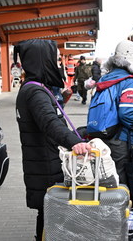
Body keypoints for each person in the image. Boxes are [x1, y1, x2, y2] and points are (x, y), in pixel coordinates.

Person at [14, 39, 92, 241]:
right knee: (49, 213)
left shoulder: (32, 88)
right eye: (55, 60)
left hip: (40, 161)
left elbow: (46, 118)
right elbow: (50, 123)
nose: (58, 64)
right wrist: (75, 142)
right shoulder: (35, 92)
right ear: (42, 60)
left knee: (46, 211)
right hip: (45, 163)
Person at [96, 40, 133, 186]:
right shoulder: (129, 82)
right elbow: (126, 114)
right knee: (120, 181)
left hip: (103, 134)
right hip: (120, 139)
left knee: (107, 179)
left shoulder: (106, 78)